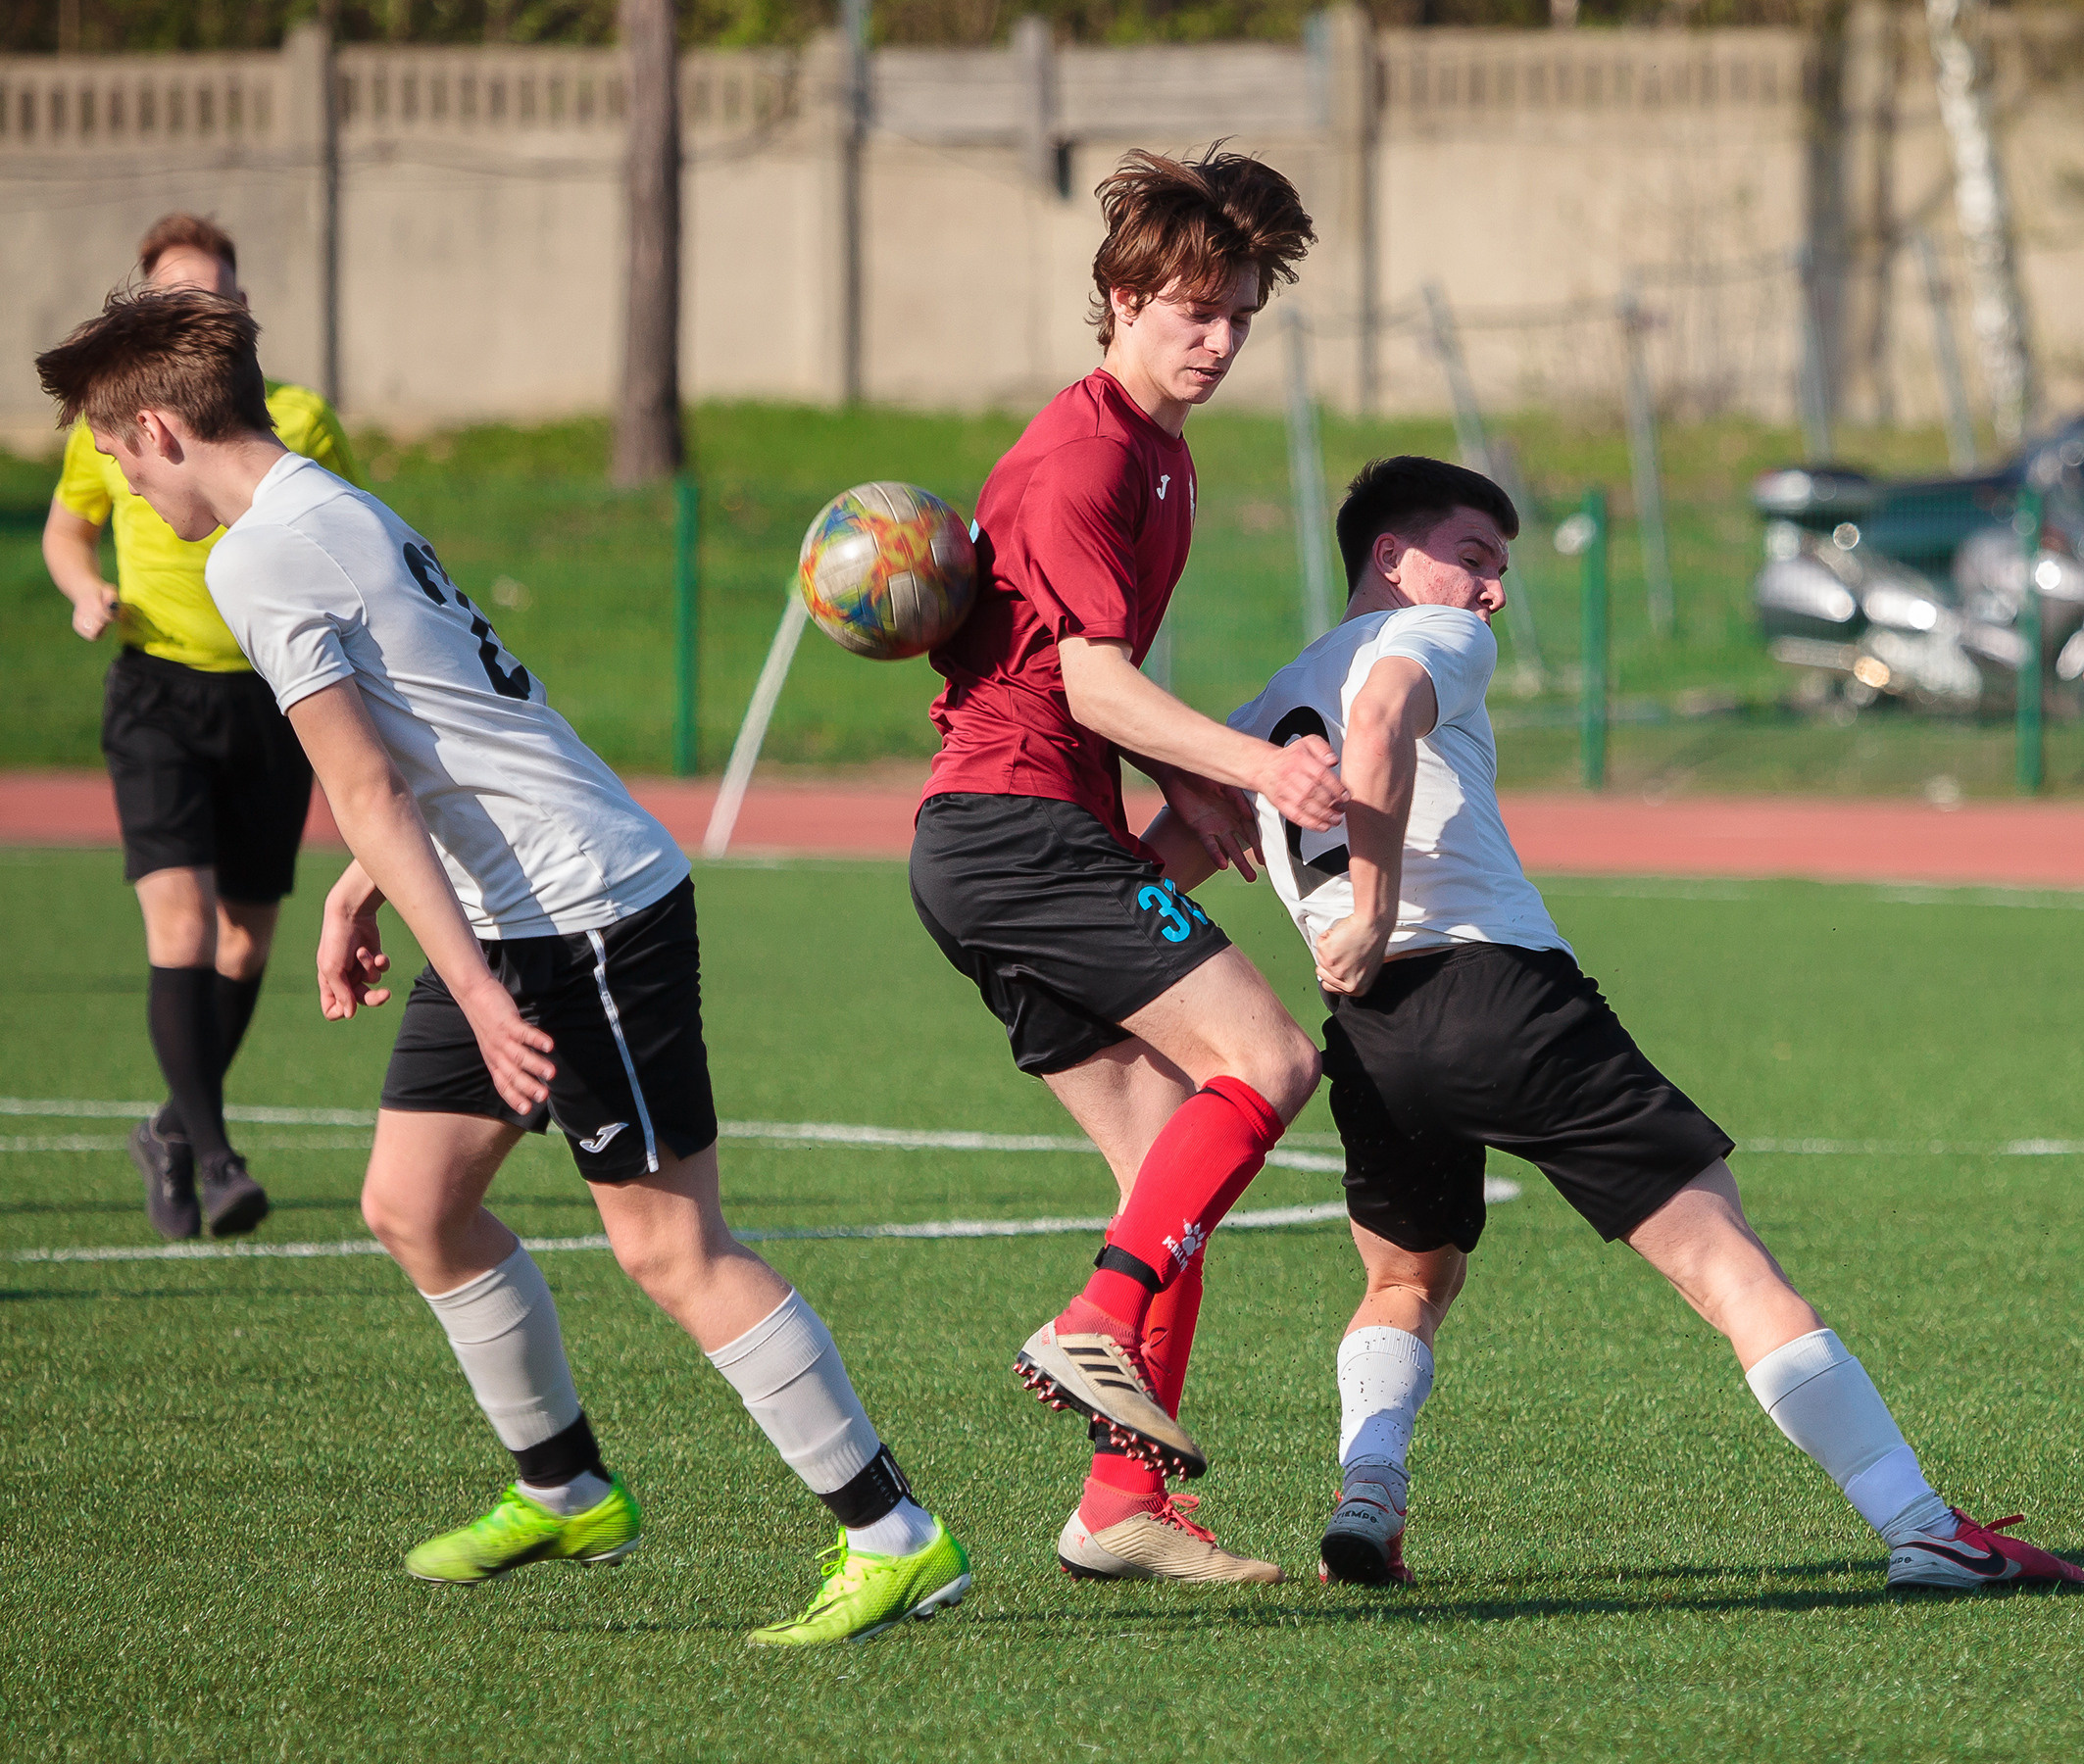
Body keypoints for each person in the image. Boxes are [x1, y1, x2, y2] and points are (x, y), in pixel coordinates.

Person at [35, 287, 972, 1645]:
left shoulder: (258, 556)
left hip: (579, 913)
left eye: (117, 454)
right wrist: (375, 890)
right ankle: (567, 1486)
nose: (119, 480)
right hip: (506, 906)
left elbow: (365, 779)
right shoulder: (324, 506)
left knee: (669, 1246)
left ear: (163, 429)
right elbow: (446, 720)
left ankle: (894, 1535)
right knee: (413, 1202)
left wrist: (468, 981)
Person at [1211, 454, 2082, 1593]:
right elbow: (1377, 717)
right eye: (1471, 558)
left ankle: (1367, 1501)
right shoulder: (1430, 639)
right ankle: (1923, 1527)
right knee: (1723, 1260)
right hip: (1500, 999)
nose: (1489, 593)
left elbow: (1177, 840)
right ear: (1390, 557)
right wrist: (1371, 909)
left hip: (1370, 1035)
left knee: (1404, 1281)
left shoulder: (1263, 708)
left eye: (1498, 571)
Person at [911, 147, 1343, 1585]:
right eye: (1187, 311)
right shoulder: (1086, 452)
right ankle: (1094, 1316)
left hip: (1026, 833)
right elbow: (1085, 688)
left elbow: (1085, 669)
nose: (1214, 340)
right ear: (1116, 299)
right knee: (1271, 1061)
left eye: (1236, 315)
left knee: (1170, 1167)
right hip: (1016, 826)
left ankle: (1117, 1504)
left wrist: (1179, 785)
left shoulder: (1161, 452)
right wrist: (1247, 767)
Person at [41, 213, 362, 1242]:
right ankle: (215, 1156)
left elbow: (340, 531)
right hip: (158, 694)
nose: (201, 311)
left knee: (241, 944)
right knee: (180, 929)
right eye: (177, 298)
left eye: (215, 296)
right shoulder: (119, 423)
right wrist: (85, 588)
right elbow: (67, 528)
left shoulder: (299, 421)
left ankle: (173, 1130)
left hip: (271, 699)